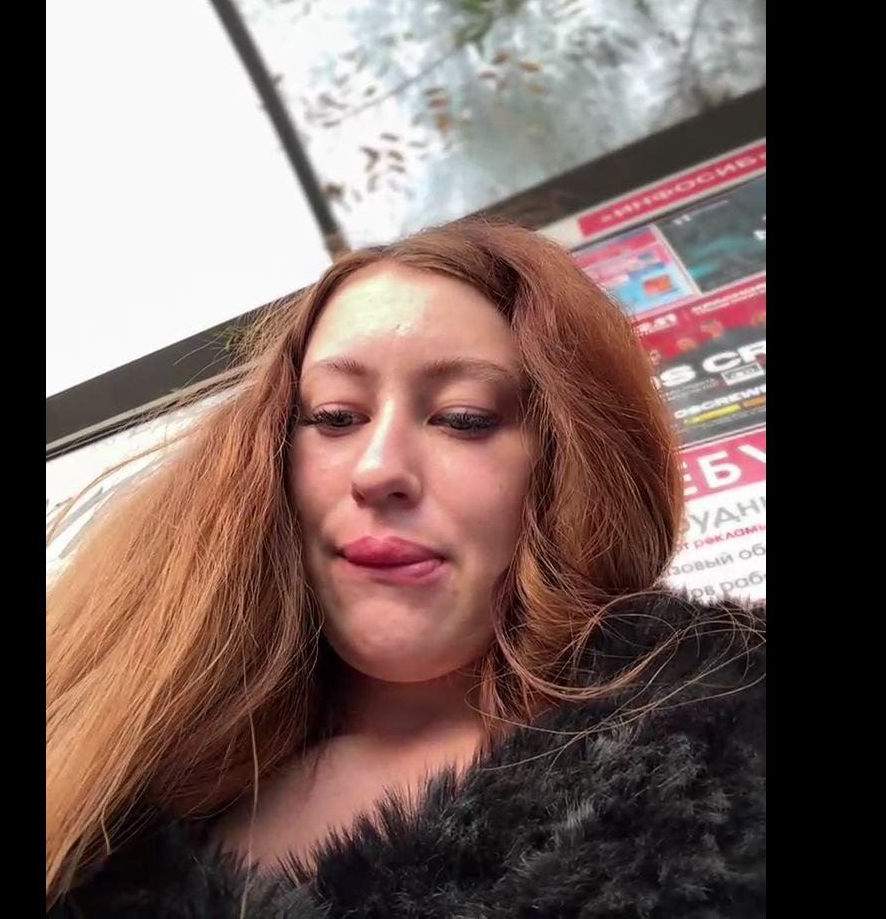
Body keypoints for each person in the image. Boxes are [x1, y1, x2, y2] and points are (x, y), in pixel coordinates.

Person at [46, 219, 765, 917]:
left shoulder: (731, 743)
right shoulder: (120, 785)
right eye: (334, 416)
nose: (378, 468)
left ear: (572, 465)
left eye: (464, 418)